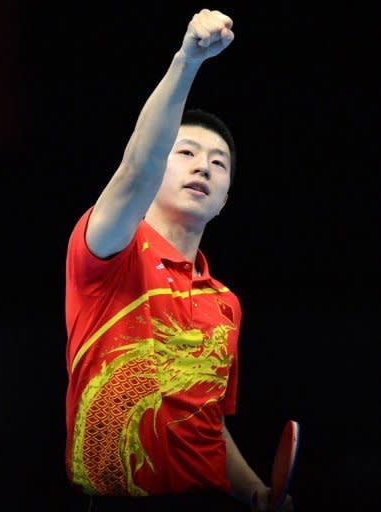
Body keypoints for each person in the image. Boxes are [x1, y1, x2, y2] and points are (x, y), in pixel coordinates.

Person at [64, 8, 294, 512]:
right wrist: (186, 61)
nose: (203, 167)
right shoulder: (110, 252)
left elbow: (208, 424)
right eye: (185, 153)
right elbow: (136, 166)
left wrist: (253, 486)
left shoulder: (226, 305)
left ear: (226, 196)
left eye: (218, 163)